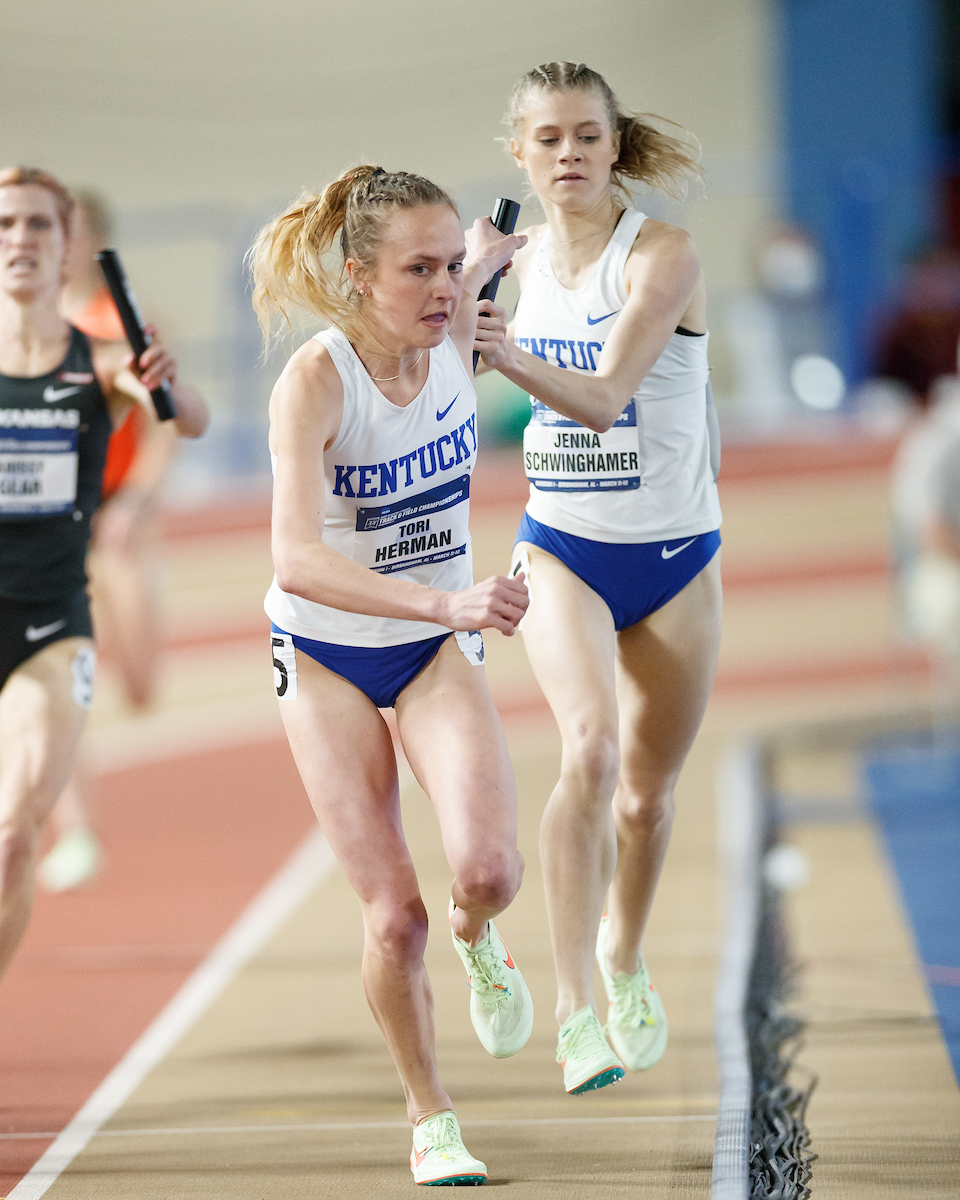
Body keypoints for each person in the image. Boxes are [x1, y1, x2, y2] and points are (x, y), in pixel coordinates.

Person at [250, 164, 531, 1186]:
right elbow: (295, 557)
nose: (446, 289)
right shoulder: (316, 382)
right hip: (326, 650)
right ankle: (432, 1115)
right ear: (361, 276)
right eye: (419, 269)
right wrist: (444, 602)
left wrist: (492, 254)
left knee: (490, 875)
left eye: (454, 267)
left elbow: (490, 267)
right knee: (393, 916)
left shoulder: (452, 335)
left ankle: (479, 937)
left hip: (429, 652)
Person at [478, 62, 723, 1095]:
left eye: (587, 135)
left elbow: (607, 393)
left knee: (644, 798)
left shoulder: (660, 255)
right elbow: (433, 388)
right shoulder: (504, 262)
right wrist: (465, 296)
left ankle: (623, 956)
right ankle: (576, 1012)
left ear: (616, 147)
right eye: (548, 139)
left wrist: (501, 348)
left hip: (674, 558)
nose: (568, 154)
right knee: (586, 744)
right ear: (520, 154)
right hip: (563, 544)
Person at [0, 167, 208, 979]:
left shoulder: (105, 359)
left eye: (39, 227)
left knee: (16, 834)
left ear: (68, 248)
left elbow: (189, 419)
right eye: (6, 224)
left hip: (49, 624)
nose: (21, 239)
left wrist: (172, 388)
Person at [39, 189, 179, 893]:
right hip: (53, 527)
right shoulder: (29, 328)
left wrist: (136, 499)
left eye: (72, 231)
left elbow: (163, 423)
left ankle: (140, 606)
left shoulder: (118, 323)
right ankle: (78, 830)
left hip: (117, 517)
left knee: (141, 687)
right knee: (60, 675)